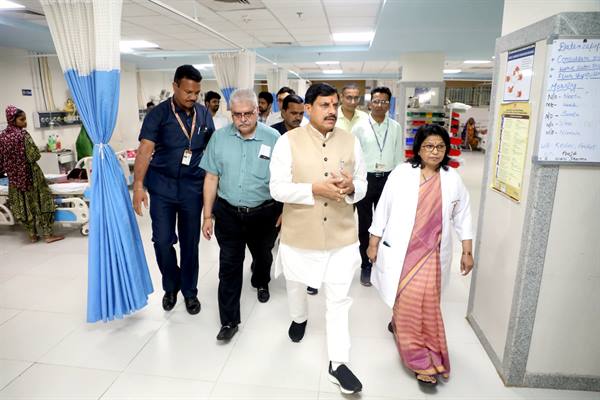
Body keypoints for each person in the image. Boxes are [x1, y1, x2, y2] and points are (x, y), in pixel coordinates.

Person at [270, 83, 367, 395]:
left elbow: (362, 182)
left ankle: (338, 363)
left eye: (335, 105)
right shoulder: (287, 142)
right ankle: (299, 318)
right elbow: (277, 188)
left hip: (341, 235)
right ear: (308, 109)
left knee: (338, 300)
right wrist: (314, 189)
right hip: (301, 233)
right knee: (296, 284)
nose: (332, 111)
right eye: (325, 105)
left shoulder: (351, 141)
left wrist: (352, 188)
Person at [367, 124, 474, 386]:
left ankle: (423, 351)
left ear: (447, 149)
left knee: (423, 303)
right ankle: (417, 359)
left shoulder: (452, 179)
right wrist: (373, 243)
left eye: (440, 147)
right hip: (402, 252)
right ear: (418, 148)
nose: (435, 152)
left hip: (432, 255)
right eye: (429, 146)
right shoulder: (402, 174)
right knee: (407, 298)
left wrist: (467, 251)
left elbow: (463, 216)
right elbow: (383, 209)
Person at [132, 64, 214, 315]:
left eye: (196, 92)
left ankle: (189, 292)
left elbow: (212, 149)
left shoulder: (204, 114)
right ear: (175, 86)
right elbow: (145, 150)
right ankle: (171, 284)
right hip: (163, 187)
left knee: (190, 244)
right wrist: (138, 185)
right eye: (188, 91)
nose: (193, 97)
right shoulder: (158, 114)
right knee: (162, 240)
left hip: (192, 187)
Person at [200, 89, 281, 341]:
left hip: (264, 213)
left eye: (248, 113)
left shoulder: (273, 138)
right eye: (237, 114)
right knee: (229, 267)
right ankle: (229, 321)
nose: (243, 119)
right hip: (229, 214)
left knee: (263, 256)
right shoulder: (219, 138)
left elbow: (285, 179)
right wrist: (207, 216)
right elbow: (211, 177)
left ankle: (261, 280)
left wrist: (285, 211)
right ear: (231, 114)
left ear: (258, 111)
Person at [351, 86, 404, 286]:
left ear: (389, 105)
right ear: (370, 103)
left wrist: (398, 181)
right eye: (376, 101)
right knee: (365, 224)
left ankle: (383, 264)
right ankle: (366, 264)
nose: (380, 105)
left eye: (384, 101)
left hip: (388, 179)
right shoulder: (359, 127)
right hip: (366, 179)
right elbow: (354, 158)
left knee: (387, 223)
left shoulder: (396, 127)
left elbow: (398, 156)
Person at [270, 94, 319, 296]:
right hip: (275, 195)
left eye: (301, 113)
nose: (298, 117)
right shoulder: (273, 134)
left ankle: (310, 279)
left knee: (307, 241)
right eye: (293, 113)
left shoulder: (310, 134)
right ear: (283, 112)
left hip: (302, 196)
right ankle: (262, 267)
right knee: (269, 240)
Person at [0, 106, 64, 243]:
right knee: (41, 201)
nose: (25, 122)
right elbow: (34, 155)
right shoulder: (23, 135)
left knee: (23, 204)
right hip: (31, 175)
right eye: (22, 119)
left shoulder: (2, 137)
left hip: (14, 178)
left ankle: (32, 235)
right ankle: (47, 234)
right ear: (12, 120)